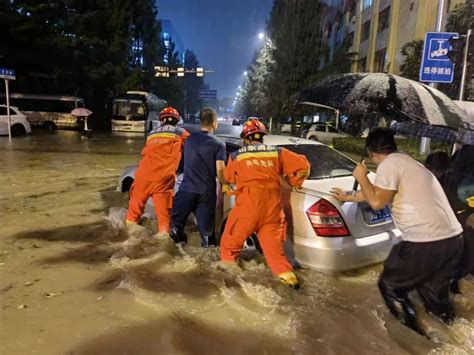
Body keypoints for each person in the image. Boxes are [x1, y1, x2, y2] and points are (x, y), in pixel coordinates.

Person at [331, 128, 464, 335]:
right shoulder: (407, 162)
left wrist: (361, 176)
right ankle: (455, 336)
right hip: (452, 240)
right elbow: (376, 193)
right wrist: (347, 195)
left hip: (426, 241)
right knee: (434, 299)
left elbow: (376, 202)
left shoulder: (389, 165)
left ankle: (415, 339)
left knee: (390, 286)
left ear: (371, 152)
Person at [220, 118, 310, 289]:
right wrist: (294, 182)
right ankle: (293, 284)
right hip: (273, 211)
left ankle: (229, 287)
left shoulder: (237, 155)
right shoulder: (278, 153)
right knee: (276, 257)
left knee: (229, 246)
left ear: (245, 139)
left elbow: (229, 177)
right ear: (262, 136)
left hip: (248, 207)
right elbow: (303, 166)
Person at [126, 106, 189, 234]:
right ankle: (163, 242)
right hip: (163, 180)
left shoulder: (151, 134)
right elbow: (194, 145)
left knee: (133, 214)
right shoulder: (180, 132)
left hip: (143, 176)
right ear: (176, 121)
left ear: (161, 120)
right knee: (164, 220)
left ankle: (128, 237)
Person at [170, 107, 228, 247]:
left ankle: (180, 249)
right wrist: (226, 185)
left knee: (175, 226)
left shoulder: (189, 140)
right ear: (214, 122)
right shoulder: (219, 144)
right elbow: (220, 170)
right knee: (207, 235)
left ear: (200, 122)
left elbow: (182, 163)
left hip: (186, 190)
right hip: (206, 194)